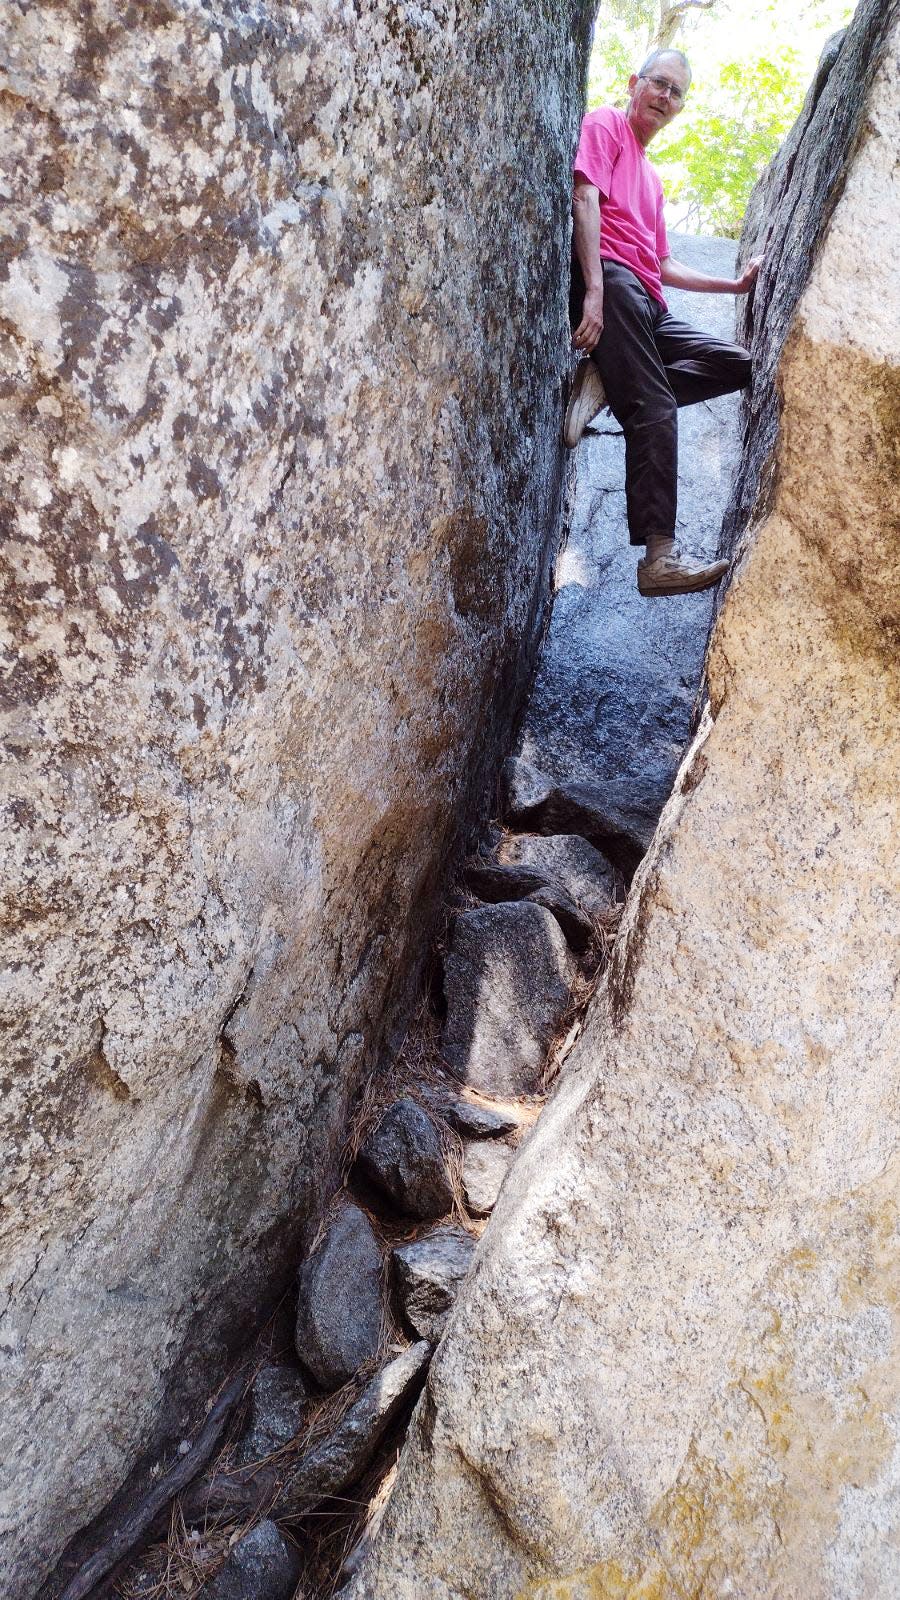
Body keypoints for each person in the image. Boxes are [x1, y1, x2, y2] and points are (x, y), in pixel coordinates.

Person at [564, 49, 761, 597]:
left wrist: (734, 286)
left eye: (676, 93)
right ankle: (659, 558)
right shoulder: (606, 123)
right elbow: (584, 198)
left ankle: (611, 387)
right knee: (654, 407)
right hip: (611, 280)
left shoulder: (652, 180)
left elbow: (664, 263)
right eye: (659, 84)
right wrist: (595, 297)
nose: (665, 98)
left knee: (736, 365)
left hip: (648, 302)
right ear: (634, 83)